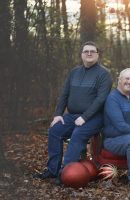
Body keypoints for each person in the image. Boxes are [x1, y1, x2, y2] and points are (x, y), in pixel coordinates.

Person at [34, 41, 113, 184]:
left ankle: (65, 173)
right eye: (86, 51)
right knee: (55, 131)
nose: (89, 54)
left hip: (95, 117)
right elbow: (64, 94)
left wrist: (85, 117)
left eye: (92, 51)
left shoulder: (104, 74)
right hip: (72, 116)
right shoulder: (74, 72)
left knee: (78, 134)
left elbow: (101, 100)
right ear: (81, 54)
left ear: (97, 55)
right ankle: (52, 170)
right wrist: (58, 114)